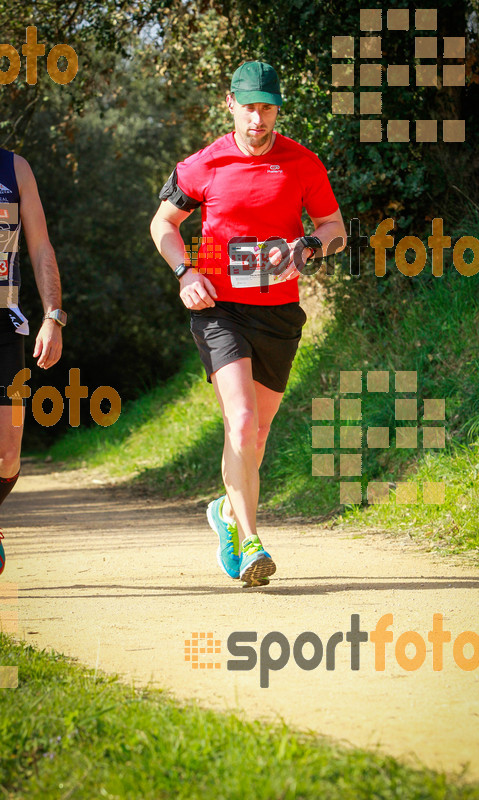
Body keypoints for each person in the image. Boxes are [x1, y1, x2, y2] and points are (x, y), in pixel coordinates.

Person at [150, 61, 346, 586]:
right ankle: (252, 541)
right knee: (238, 422)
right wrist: (185, 271)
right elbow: (162, 223)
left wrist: (308, 244)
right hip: (219, 309)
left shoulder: (303, 163)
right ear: (230, 104)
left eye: (267, 108)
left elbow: (334, 229)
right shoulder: (204, 164)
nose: (258, 119)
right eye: (249, 107)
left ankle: (225, 514)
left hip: (279, 312)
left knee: (255, 436)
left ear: (278, 108)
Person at [0, 149, 66, 575]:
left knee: (7, 454)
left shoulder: (15, 168)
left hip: (4, 322)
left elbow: (40, 244)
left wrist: (53, 316)